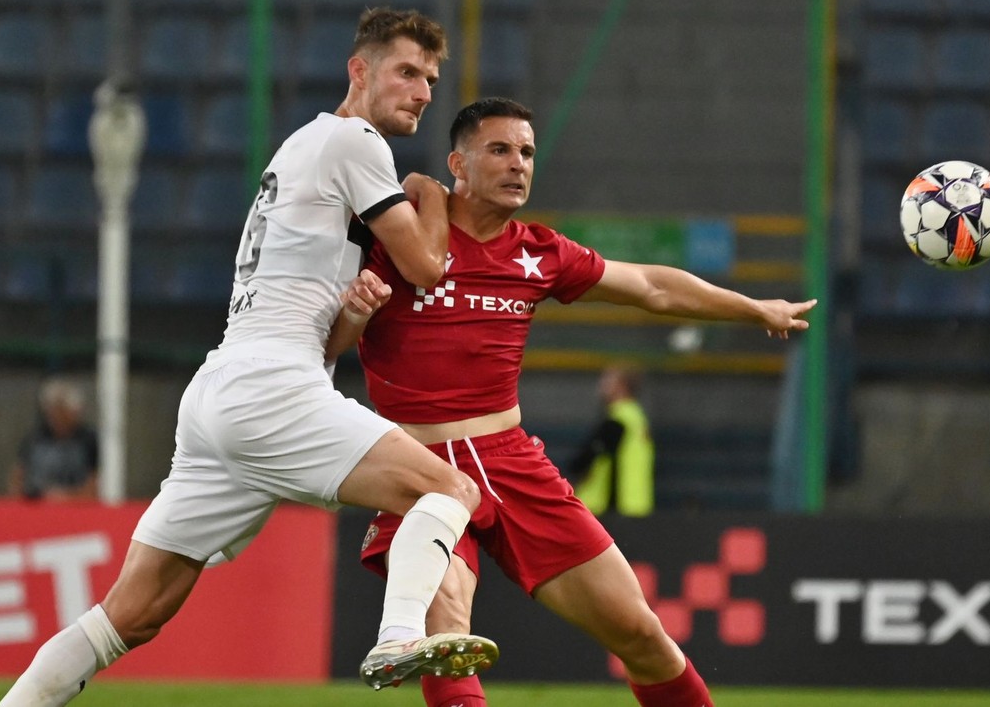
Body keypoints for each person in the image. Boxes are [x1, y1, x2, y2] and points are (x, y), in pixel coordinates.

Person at [0, 8, 500, 706]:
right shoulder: (355, 141)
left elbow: (313, 327)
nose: (421, 91)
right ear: (360, 71)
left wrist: (352, 315)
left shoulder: (299, 150)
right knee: (451, 491)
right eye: (406, 72)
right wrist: (433, 197)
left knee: (130, 616)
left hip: (224, 391)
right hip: (270, 388)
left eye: (431, 80)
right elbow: (425, 265)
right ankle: (397, 635)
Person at [329, 97, 817, 707]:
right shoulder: (398, 237)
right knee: (446, 636)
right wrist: (353, 312)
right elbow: (326, 342)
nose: (518, 165)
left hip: (509, 461)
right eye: (500, 150)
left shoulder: (539, 252)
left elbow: (651, 287)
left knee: (641, 634)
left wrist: (754, 308)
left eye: (527, 152)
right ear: (458, 162)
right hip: (414, 469)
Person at [567, 364, 654, 517]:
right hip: (637, 503)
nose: (601, 385)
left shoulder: (617, 422)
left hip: (612, 507)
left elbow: (584, 460)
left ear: (622, 386)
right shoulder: (637, 419)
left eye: (607, 380)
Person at [10, 378, 99, 501]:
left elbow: (94, 484)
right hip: (36, 505)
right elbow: (18, 477)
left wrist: (66, 498)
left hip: (75, 507)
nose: (56, 417)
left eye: (62, 410)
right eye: (52, 410)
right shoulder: (35, 438)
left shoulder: (88, 440)